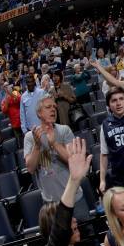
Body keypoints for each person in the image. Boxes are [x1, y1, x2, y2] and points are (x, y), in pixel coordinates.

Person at [24, 93, 90, 221]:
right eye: (48, 107)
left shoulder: (64, 130)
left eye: (54, 107)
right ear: (39, 113)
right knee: (60, 240)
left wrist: (54, 143)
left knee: (86, 236)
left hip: (75, 197)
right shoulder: (30, 137)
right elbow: (31, 168)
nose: (53, 109)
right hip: (51, 204)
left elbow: (72, 160)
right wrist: (37, 146)